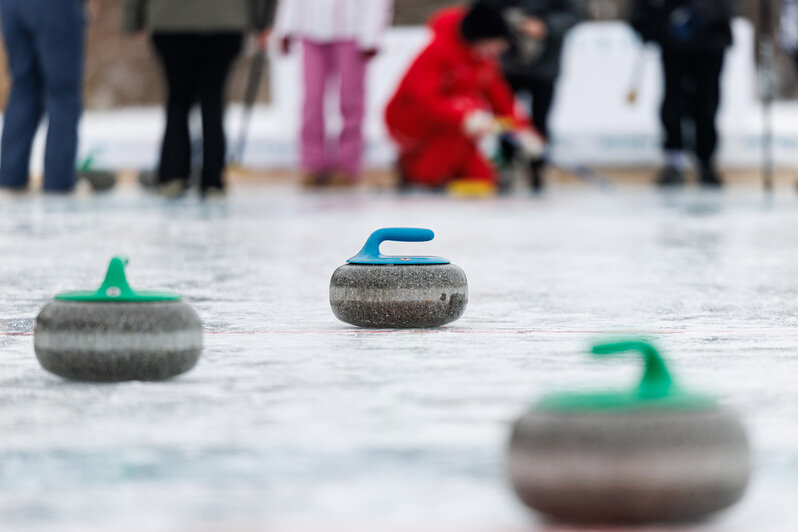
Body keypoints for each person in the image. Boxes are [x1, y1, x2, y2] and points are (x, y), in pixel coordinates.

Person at [385, 1, 543, 195]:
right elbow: (423, 98)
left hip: (457, 131)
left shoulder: (483, 60)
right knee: (430, 176)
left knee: (482, 180)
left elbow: (500, 98)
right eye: (498, 43)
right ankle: (413, 169)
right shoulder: (437, 52)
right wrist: (465, 117)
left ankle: (438, 172)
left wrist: (522, 130)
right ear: (483, 38)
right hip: (416, 124)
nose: (502, 49)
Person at [123, 0, 276, 198]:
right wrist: (262, 21)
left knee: (177, 100)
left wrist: (133, 20)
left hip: (170, 18)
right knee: (213, 100)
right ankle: (213, 179)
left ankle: (172, 175)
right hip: (225, 19)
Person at [275, 0, 394, 187]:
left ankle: (348, 165)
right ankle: (312, 163)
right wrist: (285, 27)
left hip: (352, 31)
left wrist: (372, 36)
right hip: (311, 30)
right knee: (312, 99)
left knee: (350, 100)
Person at [629, 0, 733, 187]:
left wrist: (705, 15)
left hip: (710, 38)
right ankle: (674, 160)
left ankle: (706, 160)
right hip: (672, 39)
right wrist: (650, 23)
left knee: (707, 102)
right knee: (672, 102)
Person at [489, 0, 582, 191]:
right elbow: (487, 10)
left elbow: (574, 12)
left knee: (541, 119)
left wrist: (546, 25)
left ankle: (538, 169)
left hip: (545, 64)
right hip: (509, 62)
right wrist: (509, 23)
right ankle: (506, 167)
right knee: (505, 118)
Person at [0, 0, 88, 194]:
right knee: (63, 92)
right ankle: (59, 181)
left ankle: (10, 178)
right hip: (54, 6)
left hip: (10, 5)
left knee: (23, 88)